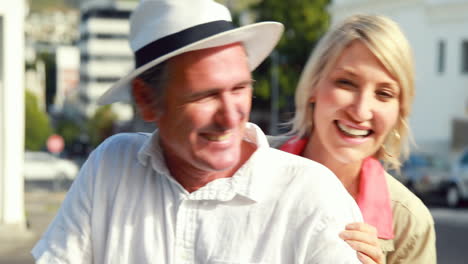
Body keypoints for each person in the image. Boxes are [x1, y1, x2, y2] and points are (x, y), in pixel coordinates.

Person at [32, 1, 364, 263]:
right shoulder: (110, 168)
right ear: (148, 101)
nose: (230, 116)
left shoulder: (312, 197)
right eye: (204, 95)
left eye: (239, 88)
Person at [270, 14, 436, 264]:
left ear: (400, 110)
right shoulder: (248, 165)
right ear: (313, 86)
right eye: (346, 83)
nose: (360, 111)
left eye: (383, 93)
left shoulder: (410, 224)